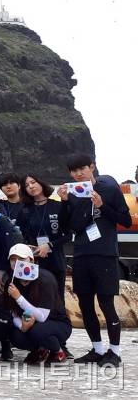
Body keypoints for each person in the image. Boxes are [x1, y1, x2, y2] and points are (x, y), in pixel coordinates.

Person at [59, 153, 131, 366]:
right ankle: (97, 349)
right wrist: (64, 202)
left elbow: (125, 220)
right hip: (81, 254)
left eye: (81, 169)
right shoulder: (72, 193)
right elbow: (66, 226)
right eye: (73, 171)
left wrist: (101, 205)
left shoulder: (108, 189)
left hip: (105, 253)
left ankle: (115, 351)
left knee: (106, 303)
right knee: (85, 303)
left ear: (92, 167)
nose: (78, 174)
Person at [1, 244, 71, 364]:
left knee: (37, 330)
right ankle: (39, 350)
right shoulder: (11, 282)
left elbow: (41, 317)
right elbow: (13, 312)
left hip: (56, 322)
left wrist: (18, 297)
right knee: (15, 335)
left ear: (31, 260)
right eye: (13, 259)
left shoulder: (45, 279)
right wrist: (21, 326)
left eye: (21, 259)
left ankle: (58, 351)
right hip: (29, 321)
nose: (16, 263)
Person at [18, 173, 69, 299]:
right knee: (36, 298)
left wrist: (49, 245)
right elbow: (21, 236)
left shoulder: (57, 206)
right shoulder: (24, 210)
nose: (31, 186)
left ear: (41, 182)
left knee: (57, 299)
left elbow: (68, 235)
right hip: (34, 262)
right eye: (27, 185)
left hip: (56, 261)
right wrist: (31, 248)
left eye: (33, 182)